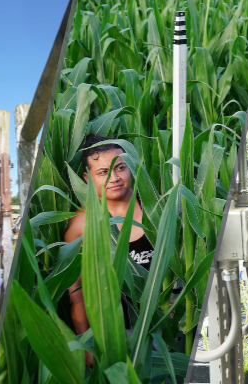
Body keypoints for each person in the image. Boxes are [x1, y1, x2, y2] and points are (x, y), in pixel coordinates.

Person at [63, 135, 153, 348]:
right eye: (103, 172)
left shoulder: (153, 206)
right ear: (87, 177)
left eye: (120, 168)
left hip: (164, 328)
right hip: (114, 334)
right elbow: (77, 294)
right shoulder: (81, 225)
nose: (114, 178)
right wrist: (86, 343)